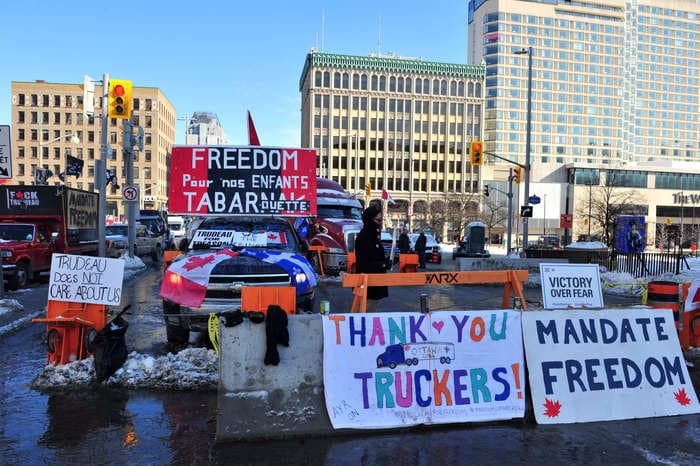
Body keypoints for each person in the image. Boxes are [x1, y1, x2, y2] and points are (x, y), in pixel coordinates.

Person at [354, 205, 388, 311]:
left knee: (371, 311)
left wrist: (386, 261)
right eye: (378, 220)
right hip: (368, 286)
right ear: (370, 220)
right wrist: (382, 264)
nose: (380, 223)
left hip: (375, 285)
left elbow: (377, 256)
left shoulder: (374, 236)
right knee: (366, 314)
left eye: (381, 220)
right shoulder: (364, 237)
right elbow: (365, 263)